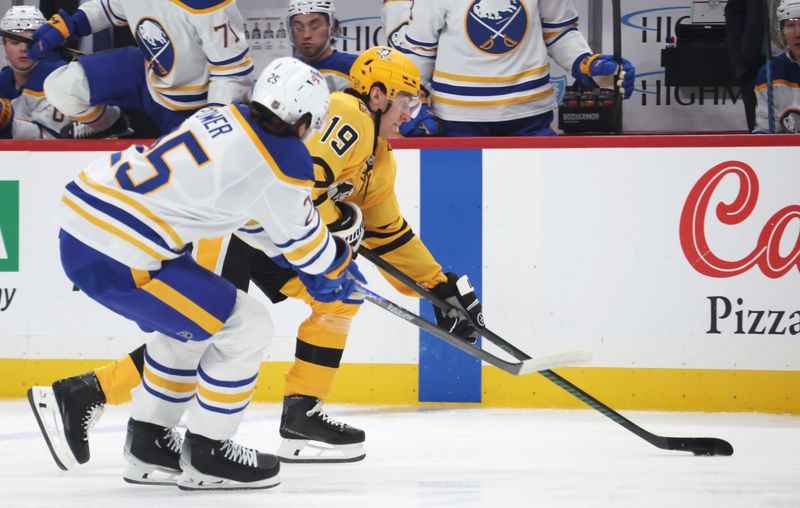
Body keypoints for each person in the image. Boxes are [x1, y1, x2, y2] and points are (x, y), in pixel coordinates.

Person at [29, 46, 484, 471]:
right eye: (407, 100)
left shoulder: (379, 159)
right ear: (378, 94)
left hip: (264, 231)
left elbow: (386, 233)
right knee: (208, 330)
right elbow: (304, 192)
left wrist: (438, 286)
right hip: (237, 228)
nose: (412, 112)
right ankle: (91, 392)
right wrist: (332, 237)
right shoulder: (350, 115)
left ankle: (302, 413)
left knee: (337, 302)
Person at [29, 57, 366, 490]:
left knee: (195, 327)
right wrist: (337, 264)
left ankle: (148, 443)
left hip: (93, 229)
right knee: (247, 325)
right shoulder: (285, 157)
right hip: (119, 251)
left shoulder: (219, 115)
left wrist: (291, 253)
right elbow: (309, 248)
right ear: (303, 118)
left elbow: (245, 216)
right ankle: (210, 451)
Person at [394, 0, 636, 136]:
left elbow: (559, 32)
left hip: (529, 118)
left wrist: (585, 62)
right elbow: (418, 52)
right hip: (459, 121)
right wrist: (409, 101)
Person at [27, 0, 253, 138]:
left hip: (194, 105)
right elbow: (110, 8)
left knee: (185, 180)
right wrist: (72, 24)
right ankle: (110, 125)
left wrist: (211, 125)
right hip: (146, 74)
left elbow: (231, 72)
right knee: (61, 87)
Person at [0, 5, 71, 138]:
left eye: (31, 41)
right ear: (4, 46)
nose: (24, 48)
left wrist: (5, 119)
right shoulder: (3, 80)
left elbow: (50, 139)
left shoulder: (60, 75)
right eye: (15, 42)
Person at [754, 0, 800, 133]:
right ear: (782, 33)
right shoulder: (770, 74)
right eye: (790, 25)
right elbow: (764, 133)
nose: (797, 33)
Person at [725, 0, 767, 132]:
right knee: (759, 127)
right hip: (753, 64)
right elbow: (735, 15)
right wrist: (743, 58)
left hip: (790, 57)